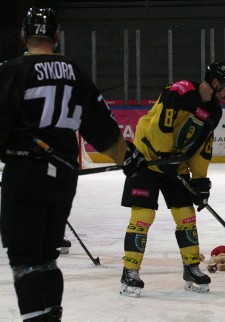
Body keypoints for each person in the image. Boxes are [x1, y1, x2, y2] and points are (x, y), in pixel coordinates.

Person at [0, 8, 146, 321]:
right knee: (47, 258)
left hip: (26, 174)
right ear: (56, 37)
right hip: (64, 177)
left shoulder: (12, 70)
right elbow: (101, 127)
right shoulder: (74, 70)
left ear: (23, 35)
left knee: (26, 259)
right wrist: (129, 159)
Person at [119, 62, 225, 297]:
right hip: (147, 160)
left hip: (175, 165)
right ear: (215, 83)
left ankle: (191, 268)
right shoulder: (180, 91)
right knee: (143, 216)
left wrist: (201, 182)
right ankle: (129, 272)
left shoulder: (214, 112)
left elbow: (202, 148)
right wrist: (164, 156)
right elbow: (160, 125)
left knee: (186, 217)